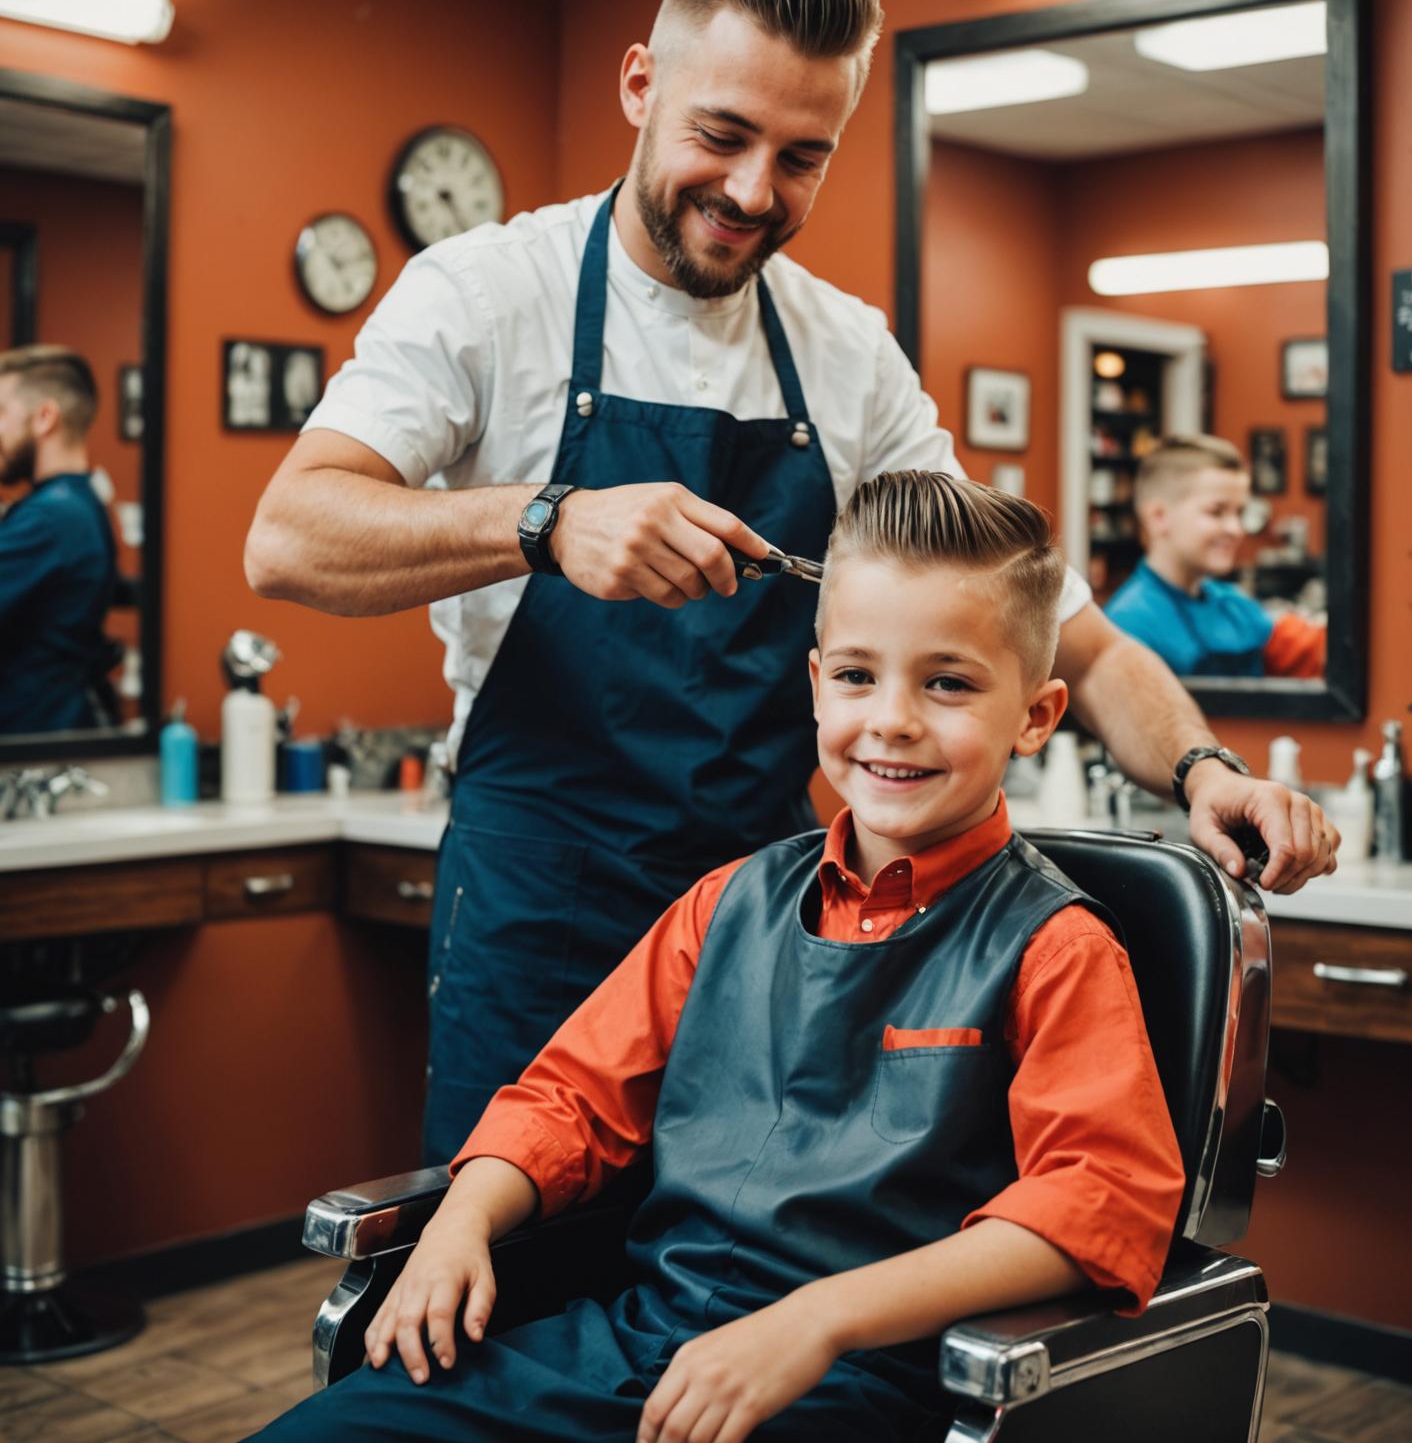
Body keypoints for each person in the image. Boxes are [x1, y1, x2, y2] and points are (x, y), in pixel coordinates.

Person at [244, 0, 1337, 1166]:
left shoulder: (846, 351)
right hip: (542, 907)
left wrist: (1204, 773)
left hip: (768, 919)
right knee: (509, 1261)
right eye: (722, 135)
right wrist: (542, 520)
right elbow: (289, 534)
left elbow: (1071, 637)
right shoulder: (491, 294)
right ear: (639, 85)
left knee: (732, 1271)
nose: (755, 191)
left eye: (802, 157)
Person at [251, 471, 1185, 1443]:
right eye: (860, 676)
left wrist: (821, 1321)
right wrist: (462, 1222)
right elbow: (569, 1099)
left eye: (947, 683)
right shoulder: (724, 906)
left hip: (853, 1385)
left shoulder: (1055, 950)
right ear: (818, 685)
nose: (894, 719)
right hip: (635, 1347)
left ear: (1036, 717)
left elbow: (1100, 1197)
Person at [1104, 435, 1326, 680]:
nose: (1235, 529)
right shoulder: (1128, 625)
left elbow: (1308, 649)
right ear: (1158, 517)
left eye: (1239, 512)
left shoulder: (1233, 605)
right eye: (1216, 512)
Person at [0, 345, 119, 734]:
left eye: (1, 412)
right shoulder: (79, 503)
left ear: (45, 417)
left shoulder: (51, 518)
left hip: (35, 738)